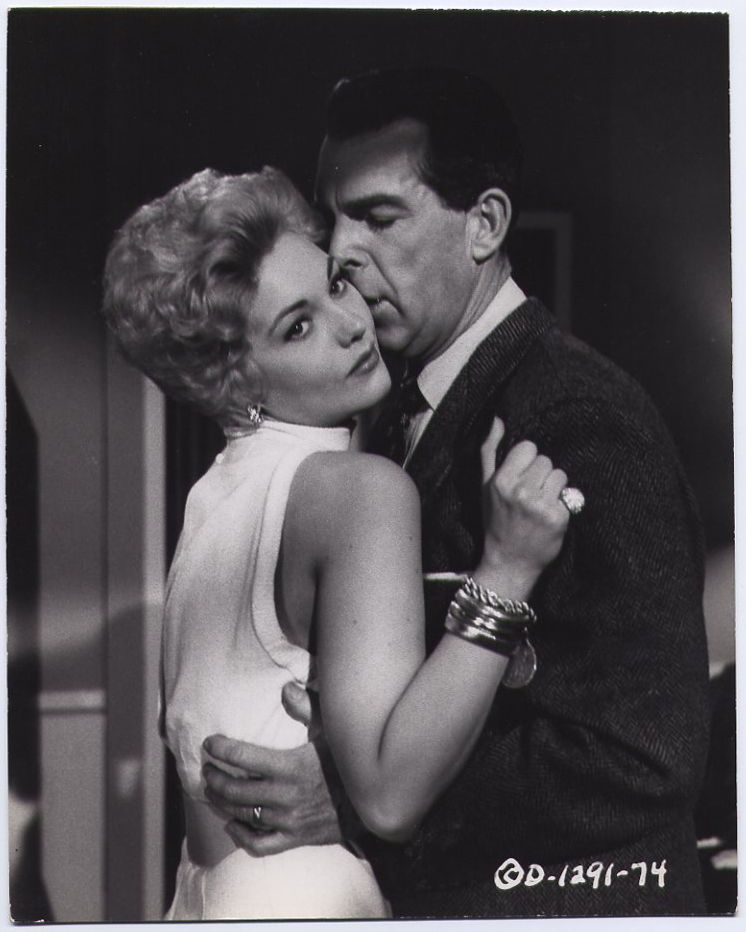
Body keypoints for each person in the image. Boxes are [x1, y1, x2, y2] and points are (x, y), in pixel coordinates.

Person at [204, 68, 711, 917]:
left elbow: (645, 754)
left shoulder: (582, 416)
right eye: (333, 217)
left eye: (378, 216)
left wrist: (367, 802)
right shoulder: (384, 407)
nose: (340, 251)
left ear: (485, 224)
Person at [101, 165, 573, 920]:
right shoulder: (360, 491)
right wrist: (507, 571)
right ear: (233, 382)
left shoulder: (211, 496)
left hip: (209, 892)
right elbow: (389, 798)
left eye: (336, 285)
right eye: (298, 326)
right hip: (304, 894)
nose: (351, 323)